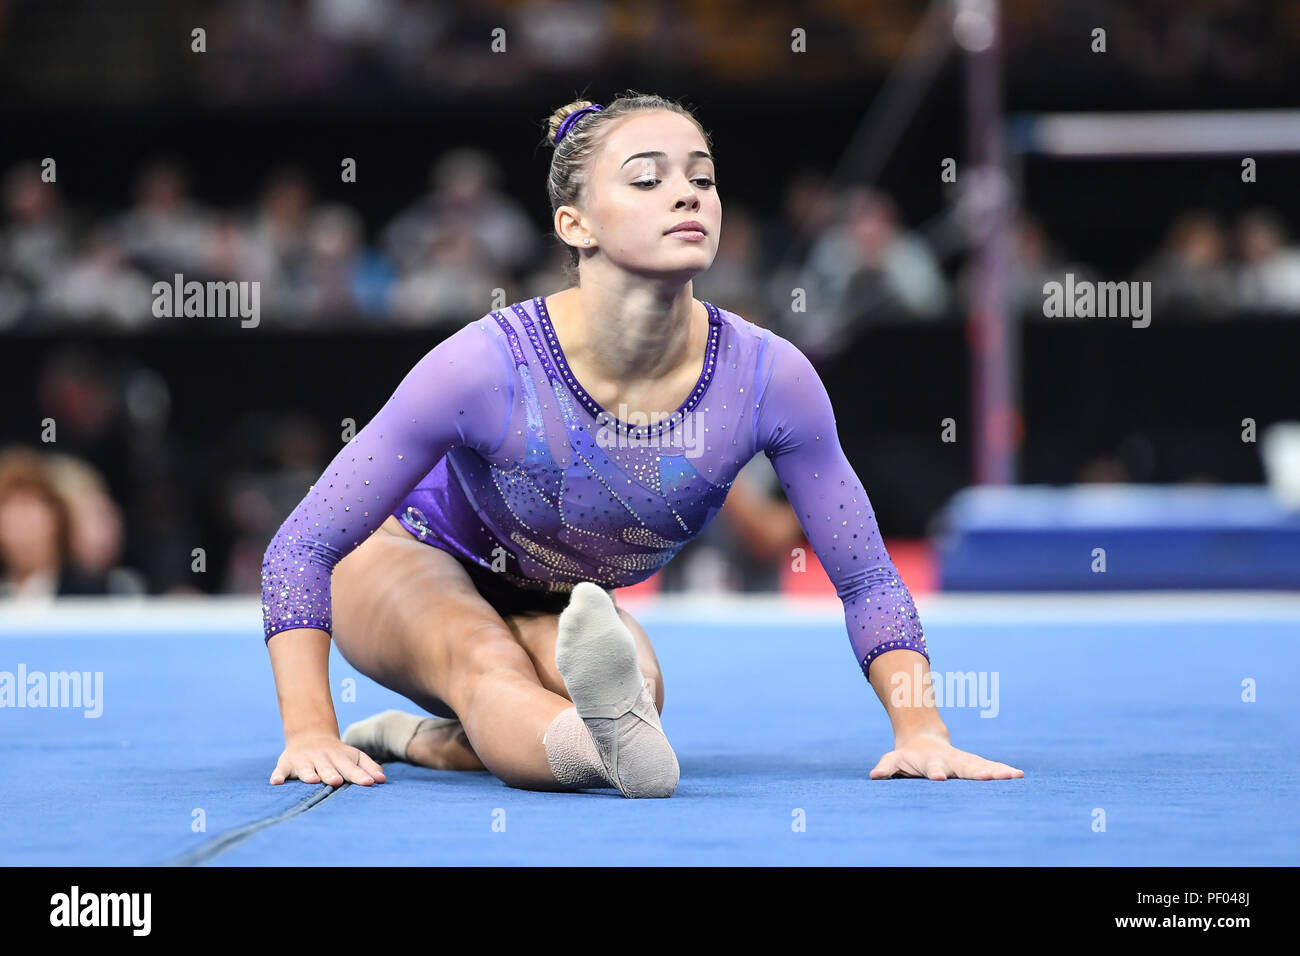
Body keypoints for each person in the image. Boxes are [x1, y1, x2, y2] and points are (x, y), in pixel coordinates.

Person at [261, 91, 1023, 798]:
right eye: (647, 180)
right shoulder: (486, 365)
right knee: (481, 658)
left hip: (555, 592)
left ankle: (428, 741)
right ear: (576, 225)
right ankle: (602, 755)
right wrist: (308, 732)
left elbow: (866, 579)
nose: (688, 194)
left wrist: (922, 728)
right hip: (410, 556)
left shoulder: (769, 378)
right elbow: (300, 547)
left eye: (703, 177)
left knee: (639, 694)